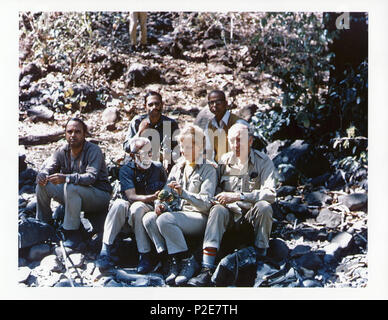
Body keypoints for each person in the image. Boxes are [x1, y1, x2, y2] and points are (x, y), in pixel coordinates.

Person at [187, 123, 276, 287]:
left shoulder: (264, 162)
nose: (236, 145)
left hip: (250, 219)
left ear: (250, 141)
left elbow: (271, 194)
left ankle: (260, 260)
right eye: (232, 141)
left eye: (240, 140)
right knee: (217, 209)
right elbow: (213, 190)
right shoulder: (223, 162)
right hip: (228, 220)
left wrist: (239, 196)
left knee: (264, 206)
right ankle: (207, 268)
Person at [142, 124, 217, 286]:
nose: (183, 151)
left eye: (189, 147)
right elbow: (165, 192)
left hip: (198, 216)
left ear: (200, 147)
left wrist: (184, 193)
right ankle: (170, 260)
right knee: (149, 218)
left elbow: (205, 203)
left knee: (165, 220)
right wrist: (159, 203)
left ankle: (186, 262)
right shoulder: (178, 167)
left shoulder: (208, 169)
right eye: (182, 147)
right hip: (178, 214)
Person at [35, 118, 112, 249]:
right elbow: (50, 166)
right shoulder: (62, 150)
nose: (73, 135)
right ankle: (44, 224)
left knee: (71, 186)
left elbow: (91, 177)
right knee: (43, 185)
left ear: (84, 134)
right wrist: (43, 174)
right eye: (69, 131)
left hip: (99, 196)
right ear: (65, 134)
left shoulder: (93, 150)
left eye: (77, 132)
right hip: (74, 196)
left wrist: (66, 178)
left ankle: (71, 233)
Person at [95, 137, 167, 273]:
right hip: (129, 212)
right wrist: (151, 196)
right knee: (119, 204)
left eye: (150, 152)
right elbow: (131, 196)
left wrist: (159, 200)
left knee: (138, 207)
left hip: (148, 210)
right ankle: (105, 250)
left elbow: (166, 190)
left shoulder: (158, 168)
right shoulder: (126, 170)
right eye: (143, 153)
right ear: (134, 156)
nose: (148, 155)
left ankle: (144, 255)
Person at [123, 91, 179, 171]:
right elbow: (126, 147)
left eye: (157, 104)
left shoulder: (170, 124)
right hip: (140, 164)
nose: (154, 107)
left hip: (163, 166)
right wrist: (139, 132)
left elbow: (178, 148)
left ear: (162, 105)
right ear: (145, 106)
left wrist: (168, 156)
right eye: (150, 105)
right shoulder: (137, 122)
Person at [205, 89, 248, 163]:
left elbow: (246, 150)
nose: (214, 105)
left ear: (225, 103)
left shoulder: (238, 123)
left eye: (218, 102)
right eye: (211, 103)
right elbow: (210, 152)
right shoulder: (209, 126)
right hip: (218, 168)